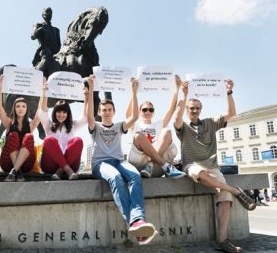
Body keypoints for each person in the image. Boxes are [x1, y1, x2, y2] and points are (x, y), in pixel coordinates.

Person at [174, 79, 256, 253]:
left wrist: (229, 92)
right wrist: (184, 94)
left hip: (213, 166)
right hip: (192, 165)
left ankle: (223, 240)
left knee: (225, 201)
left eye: (197, 108)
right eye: (191, 108)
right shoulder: (183, 126)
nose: (194, 110)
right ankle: (236, 191)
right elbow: (176, 117)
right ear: (187, 111)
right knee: (202, 174)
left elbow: (231, 113)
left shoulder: (210, 122)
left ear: (201, 110)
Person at [87, 75, 158, 245]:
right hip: (101, 164)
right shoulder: (95, 127)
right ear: (99, 112)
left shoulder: (119, 126)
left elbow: (134, 116)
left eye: (109, 109)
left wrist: (134, 92)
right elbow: (88, 115)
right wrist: (90, 91)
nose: (106, 112)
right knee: (116, 178)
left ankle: (138, 220)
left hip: (119, 161)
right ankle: (134, 223)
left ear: (114, 111)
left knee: (134, 176)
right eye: (103, 110)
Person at [126, 75, 186, 178]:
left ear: (153, 112)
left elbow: (171, 109)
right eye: (144, 109)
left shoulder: (158, 124)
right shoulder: (136, 124)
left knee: (167, 131)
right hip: (140, 164)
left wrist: (177, 88)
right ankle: (162, 166)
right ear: (139, 112)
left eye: (151, 110)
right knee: (138, 135)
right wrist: (134, 92)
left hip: (156, 167)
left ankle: (150, 164)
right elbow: (128, 115)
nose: (148, 111)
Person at [38, 78, 88, 180]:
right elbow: (43, 111)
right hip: (50, 165)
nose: (61, 115)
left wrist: (87, 96)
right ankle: (66, 170)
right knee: (48, 140)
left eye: (64, 112)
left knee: (78, 140)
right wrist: (45, 92)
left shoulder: (73, 125)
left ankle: (60, 171)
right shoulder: (49, 125)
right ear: (54, 112)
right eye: (59, 112)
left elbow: (85, 116)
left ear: (68, 114)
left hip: (71, 164)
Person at [0, 75, 40, 182]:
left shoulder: (31, 125)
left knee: (29, 136)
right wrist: (0, 87)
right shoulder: (8, 123)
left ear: (27, 109)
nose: (20, 108)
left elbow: (40, 109)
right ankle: (16, 171)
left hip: (26, 164)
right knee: (13, 135)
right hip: (7, 162)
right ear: (14, 109)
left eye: (23, 106)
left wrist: (43, 91)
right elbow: (0, 107)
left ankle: (15, 171)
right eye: (18, 106)